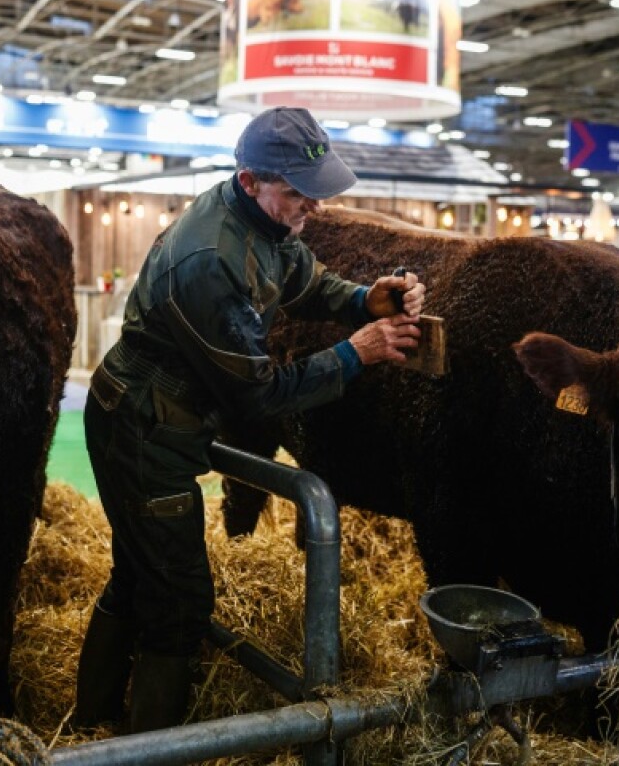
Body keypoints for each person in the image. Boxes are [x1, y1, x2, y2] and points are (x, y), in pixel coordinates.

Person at [73, 107, 425, 733]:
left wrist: (361, 299)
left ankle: (91, 725)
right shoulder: (211, 260)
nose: (313, 205)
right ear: (250, 180)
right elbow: (258, 397)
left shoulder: (260, 219)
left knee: (137, 577)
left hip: (151, 412)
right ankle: (149, 748)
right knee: (180, 604)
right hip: (145, 427)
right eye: (298, 192)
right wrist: (355, 354)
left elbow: (302, 280)